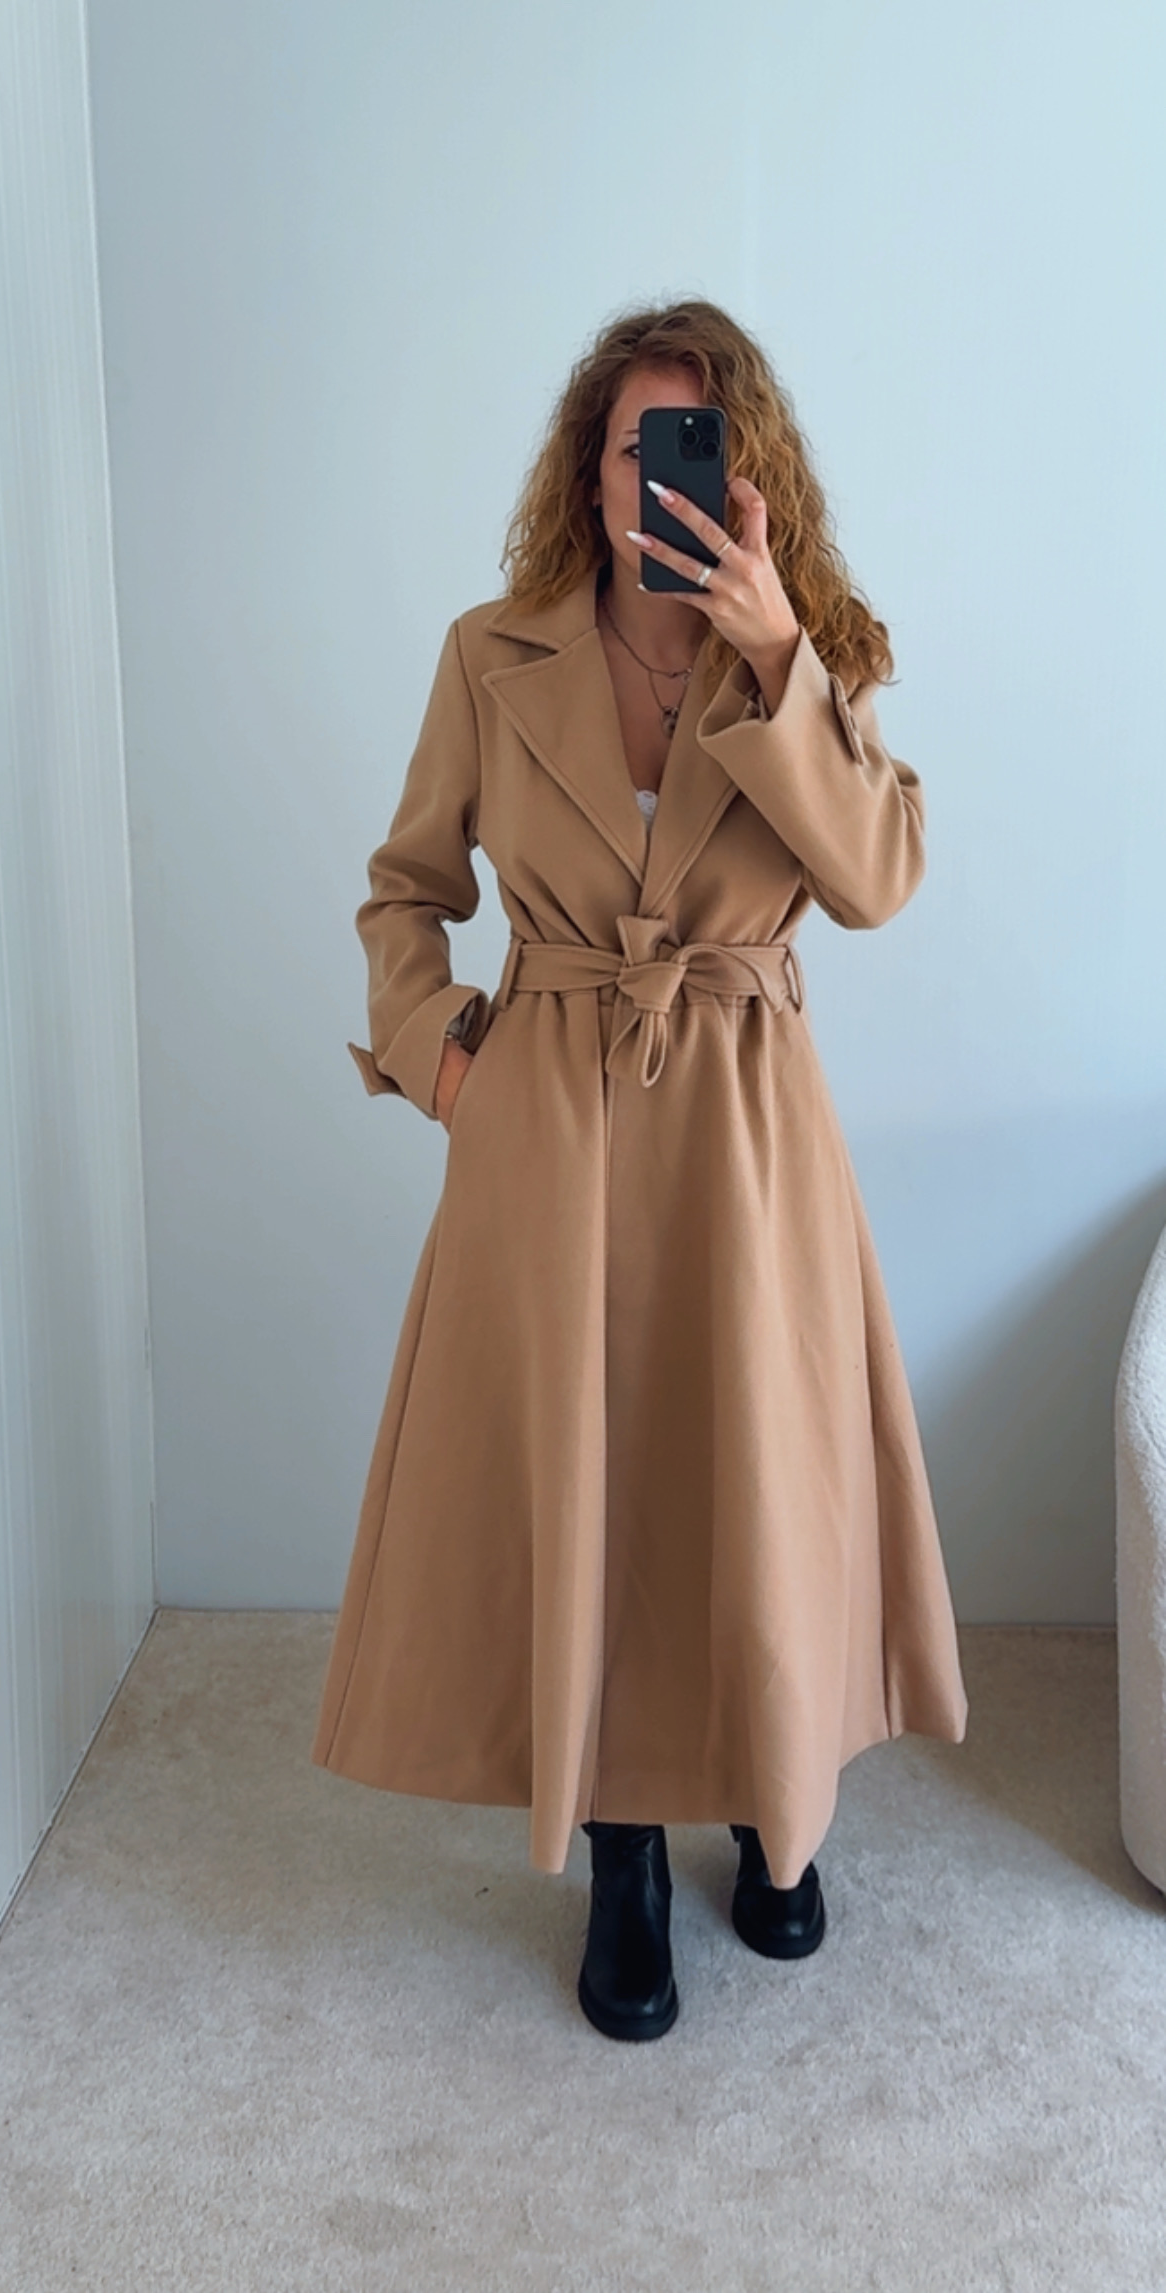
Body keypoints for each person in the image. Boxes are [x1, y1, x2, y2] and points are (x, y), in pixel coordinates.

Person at [312, 297, 969, 2043]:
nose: (660, 477)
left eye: (697, 445)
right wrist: (447, 1062)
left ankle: (769, 1805)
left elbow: (878, 878)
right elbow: (404, 891)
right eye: (633, 444)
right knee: (586, 1487)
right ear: (587, 470)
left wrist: (776, 655)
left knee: (749, 1472)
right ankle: (616, 1848)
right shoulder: (490, 654)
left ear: (746, 475)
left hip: (744, 1129)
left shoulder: (812, 651)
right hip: (550, 1124)